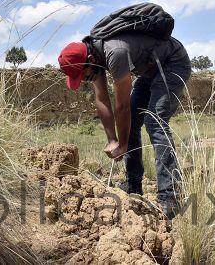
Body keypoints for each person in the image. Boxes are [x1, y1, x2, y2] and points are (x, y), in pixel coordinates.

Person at [58, 29, 191, 219]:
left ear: (90, 59)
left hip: (172, 63)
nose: (86, 79)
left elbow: (122, 108)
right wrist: (112, 140)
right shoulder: (93, 56)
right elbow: (102, 99)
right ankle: (134, 185)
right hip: (148, 70)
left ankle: (170, 197)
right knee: (134, 122)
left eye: (84, 75)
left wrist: (124, 145)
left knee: (154, 121)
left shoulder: (115, 53)